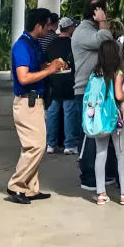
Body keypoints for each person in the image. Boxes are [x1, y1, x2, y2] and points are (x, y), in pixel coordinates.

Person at [7, 7, 67, 205]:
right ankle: (16, 184)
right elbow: (24, 77)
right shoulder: (22, 46)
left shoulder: (33, 44)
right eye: (48, 25)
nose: (50, 29)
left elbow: (38, 67)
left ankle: (30, 188)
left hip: (35, 100)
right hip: (27, 100)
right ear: (38, 25)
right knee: (37, 145)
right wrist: (49, 70)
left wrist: (51, 66)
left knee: (33, 145)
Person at [90, 39, 124, 206]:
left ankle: (101, 194)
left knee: (100, 154)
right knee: (121, 154)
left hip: (100, 119)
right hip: (115, 119)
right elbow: (119, 95)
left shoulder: (96, 72)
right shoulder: (118, 72)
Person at [73, 0, 114, 190]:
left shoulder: (89, 29)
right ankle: (88, 175)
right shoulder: (83, 32)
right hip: (85, 91)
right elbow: (105, 40)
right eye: (103, 10)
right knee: (89, 133)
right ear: (96, 12)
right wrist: (103, 21)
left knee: (97, 129)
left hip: (95, 91)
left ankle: (98, 172)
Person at [45, 17, 79, 155]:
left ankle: (50, 144)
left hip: (54, 82)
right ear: (70, 28)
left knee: (52, 113)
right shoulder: (73, 44)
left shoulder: (52, 44)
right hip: (69, 83)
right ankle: (69, 144)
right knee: (69, 113)